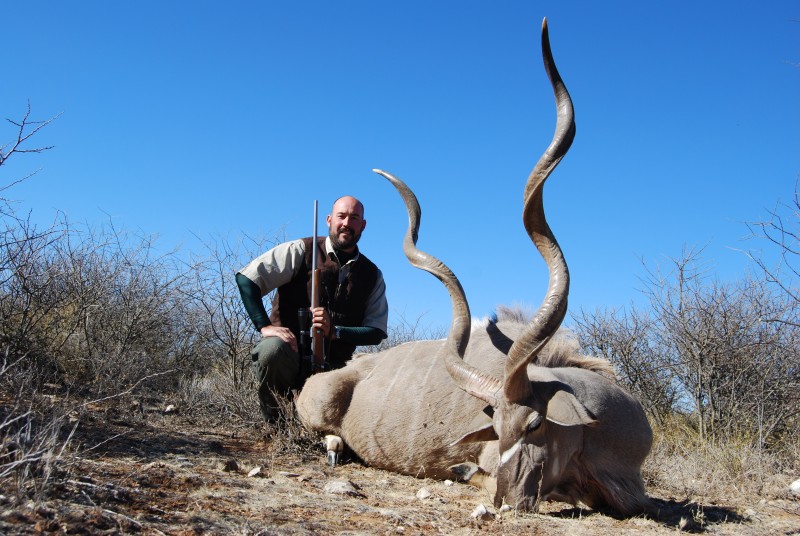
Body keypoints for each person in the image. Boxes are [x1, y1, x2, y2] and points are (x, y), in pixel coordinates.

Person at [236, 195, 388, 423]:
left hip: (337, 368)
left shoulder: (372, 275)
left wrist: (335, 331)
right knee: (272, 351)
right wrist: (264, 326)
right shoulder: (300, 250)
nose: (347, 223)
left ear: (363, 225)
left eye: (354, 218)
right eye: (341, 216)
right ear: (329, 220)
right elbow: (247, 279)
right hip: (290, 355)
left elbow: (376, 332)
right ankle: (276, 425)